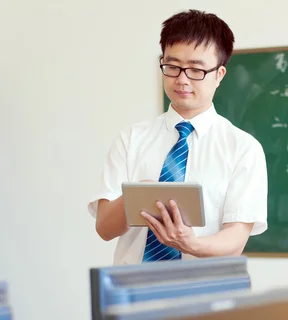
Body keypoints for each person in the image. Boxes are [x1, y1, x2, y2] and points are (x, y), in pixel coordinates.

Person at [88, 9, 268, 265]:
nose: (182, 80)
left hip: (205, 295)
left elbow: (236, 239)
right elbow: (104, 229)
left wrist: (190, 244)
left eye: (196, 70)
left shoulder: (243, 148)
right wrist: (135, 198)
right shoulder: (130, 139)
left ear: (219, 75)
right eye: (172, 66)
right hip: (132, 293)